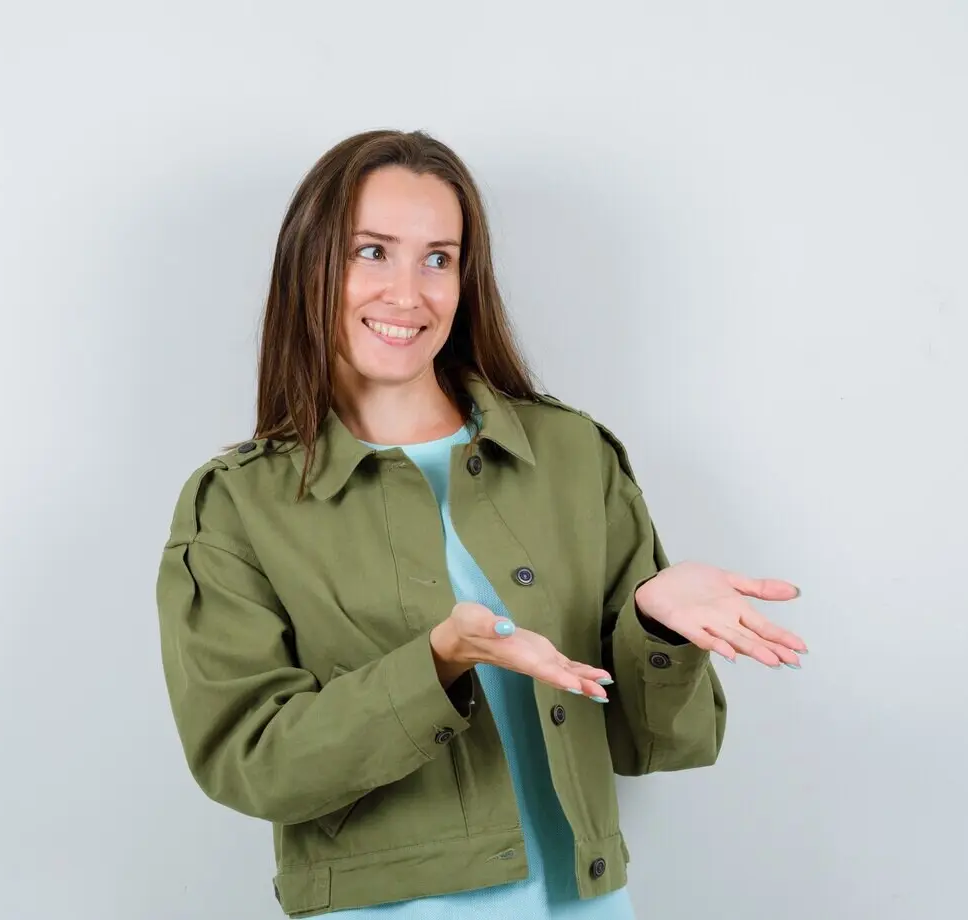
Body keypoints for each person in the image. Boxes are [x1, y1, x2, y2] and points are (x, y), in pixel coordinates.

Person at [155, 129, 807, 919]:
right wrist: (435, 662)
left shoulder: (569, 455)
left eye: (439, 258)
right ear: (311, 263)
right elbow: (251, 763)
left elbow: (655, 744)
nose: (408, 293)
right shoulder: (236, 504)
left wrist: (656, 629)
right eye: (372, 251)